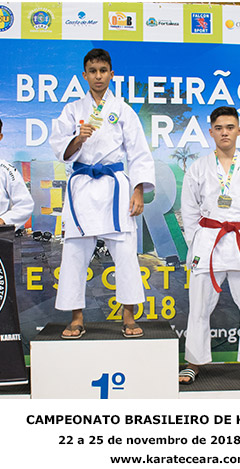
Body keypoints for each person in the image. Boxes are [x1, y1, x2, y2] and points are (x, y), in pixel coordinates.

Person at [50, 48, 155, 339]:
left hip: (114, 186)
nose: (98, 76)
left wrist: (138, 190)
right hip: (82, 185)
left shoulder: (122, 110)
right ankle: (76, 317)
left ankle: (128, 314)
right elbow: (61, 149)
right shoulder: (72, 110)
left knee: (125, 252)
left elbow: (139, 153)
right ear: (84, 75)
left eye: (103, 71)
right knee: (74, 252)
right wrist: (78, 139)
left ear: (111, 74)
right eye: (93, 71)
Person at [178, 106, 240, 385]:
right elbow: (189, 209)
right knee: (199, 306)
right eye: (219, 128)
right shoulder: (198, 167)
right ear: (211, 132)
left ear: (239, 130)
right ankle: (193, 362)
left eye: (230, 127)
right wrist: (197, 241)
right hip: (209, 241)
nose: (225, 133)